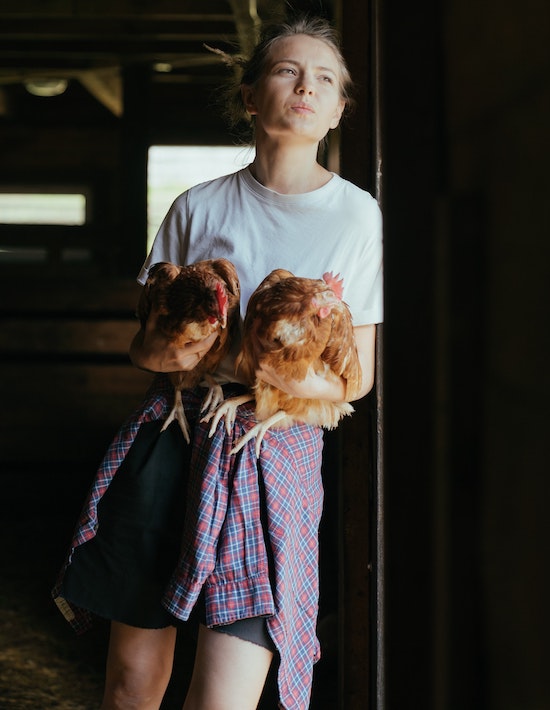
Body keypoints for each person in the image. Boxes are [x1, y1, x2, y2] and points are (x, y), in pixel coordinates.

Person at [52, 15, 383, 710]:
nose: (306, 86)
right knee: (131, 681)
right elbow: (145, 350)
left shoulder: (359, 218)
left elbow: (358, 376)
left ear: (339, 111)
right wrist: (183, 351)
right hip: (176, 433)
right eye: (288, 71)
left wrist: (262, 366)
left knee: (224, 698)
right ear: (249, 97)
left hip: (274, 446)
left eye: (324, 79)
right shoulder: (197, 207)